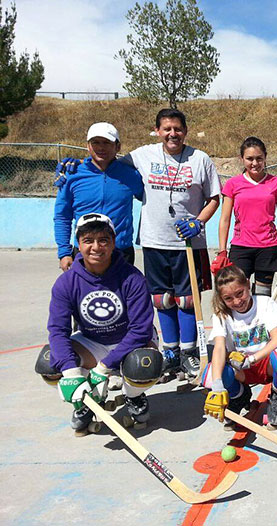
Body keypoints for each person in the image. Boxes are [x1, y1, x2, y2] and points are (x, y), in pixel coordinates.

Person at [36, 214, 162, 433]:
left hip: (131, 341)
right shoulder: (66, 282)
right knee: (50, 362)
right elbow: (58, 330)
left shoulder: (132, 278)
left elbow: (140, 330)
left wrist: (105, 367)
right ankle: (84, 401)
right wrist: (72, 375)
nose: (96, 247)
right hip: (91, 341)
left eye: (103, 240)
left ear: (113, 243)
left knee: (144, 362)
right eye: (88, 241)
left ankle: (134, 396)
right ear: (78, 244)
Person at [121, 109, 221, 381]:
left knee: (187, 300)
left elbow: (214, 198)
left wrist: (199, 221)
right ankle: (171, 353)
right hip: (155, 240)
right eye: (166, 128)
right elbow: (111, 164)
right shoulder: (143, 155)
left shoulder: (200, 159)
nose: (172, 133)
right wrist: (81, 166)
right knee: (162, 299)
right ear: (157, 131)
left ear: (185, 131)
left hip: (188, 243)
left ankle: (189, 353)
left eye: (177, 128)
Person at [202, 265, 277, 427]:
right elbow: (219, 348)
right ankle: (239, 396)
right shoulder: (221, 315)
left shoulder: (265, 303)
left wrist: (252, 359)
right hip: (240, 369)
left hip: (265, 363)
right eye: (228, 298)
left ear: (248, 284)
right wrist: (218, 384)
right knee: (210, 376)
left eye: (240, 293)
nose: (237, 301)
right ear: (221, 298)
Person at [54, 122, 143, 270]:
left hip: (120, 252)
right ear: (88, 146)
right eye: (95, 143)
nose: (101, 148)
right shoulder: (72, 174)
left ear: (118, 146)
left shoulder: (130, 175)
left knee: (121, 294)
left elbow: (153, 197)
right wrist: (64, 253)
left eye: (106, 143)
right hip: (85, 252)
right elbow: (62, 216)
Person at [212, 136, 277, 296]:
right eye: (250, 159)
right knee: (239, 295)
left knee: (262, 297)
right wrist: (222, 251)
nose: (255, 163)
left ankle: (261, 322)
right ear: (242, 159)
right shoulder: (233, 184)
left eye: (259, 158)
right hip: (241, 248)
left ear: (265, 157)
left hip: (268, 248)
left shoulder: (276, 183)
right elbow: (225, 219)